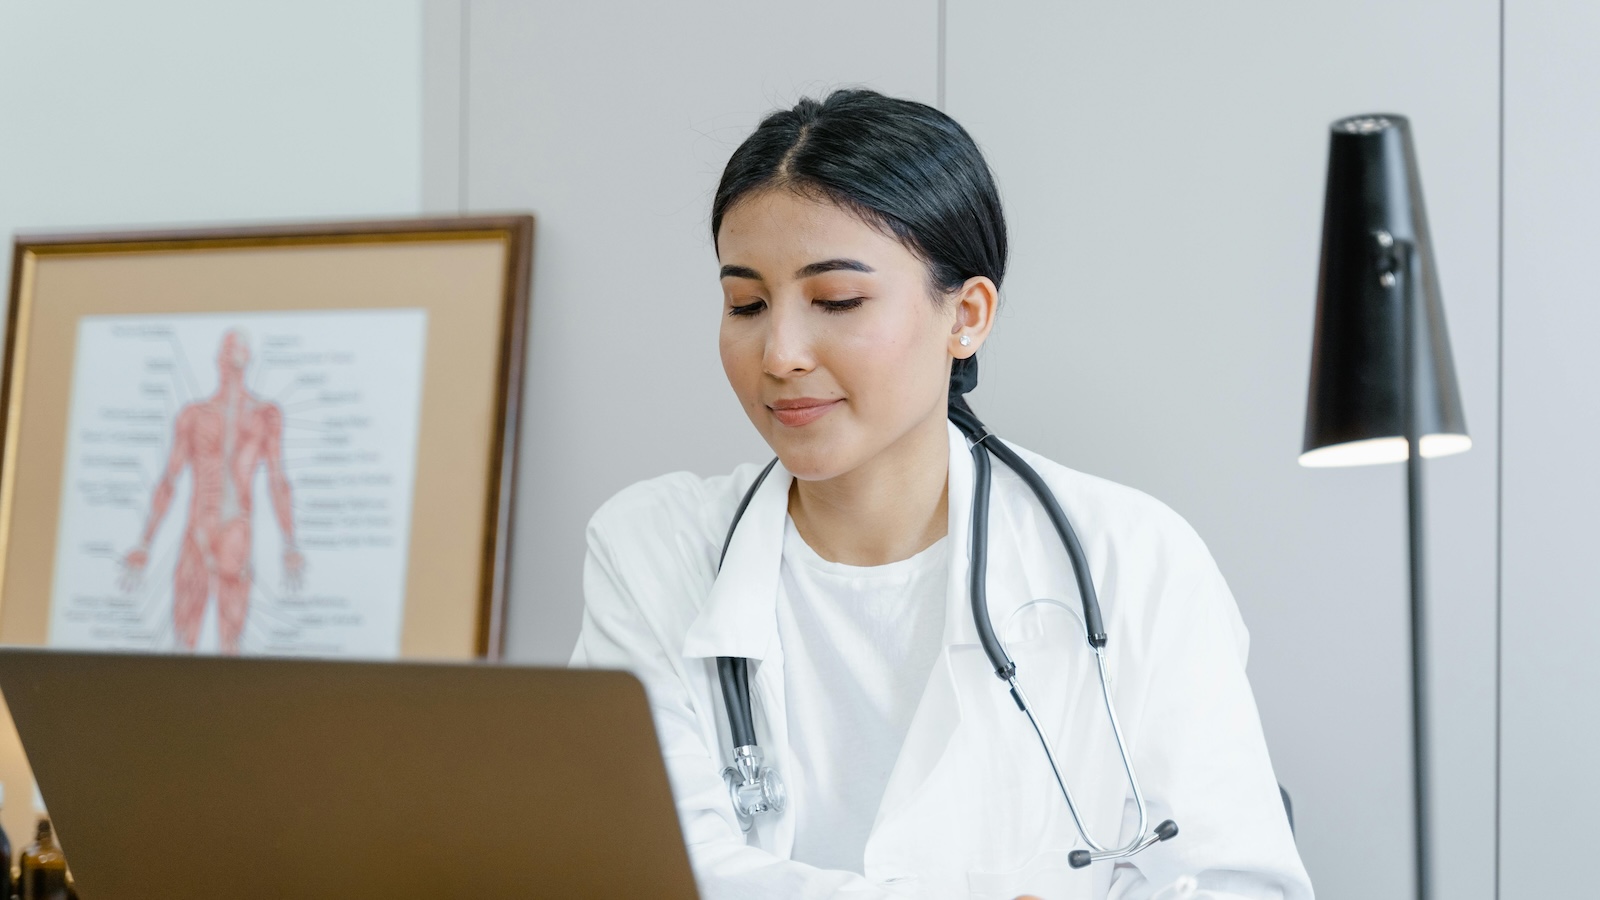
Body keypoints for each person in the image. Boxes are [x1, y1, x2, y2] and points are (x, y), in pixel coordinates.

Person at [570, 89, 1312, 899]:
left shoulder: (1131, 557)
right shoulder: (654, 550)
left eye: (837, 301)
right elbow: (645, 870)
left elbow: (1244, 885)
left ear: (966, 315)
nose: (779, 352)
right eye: (745, 303)